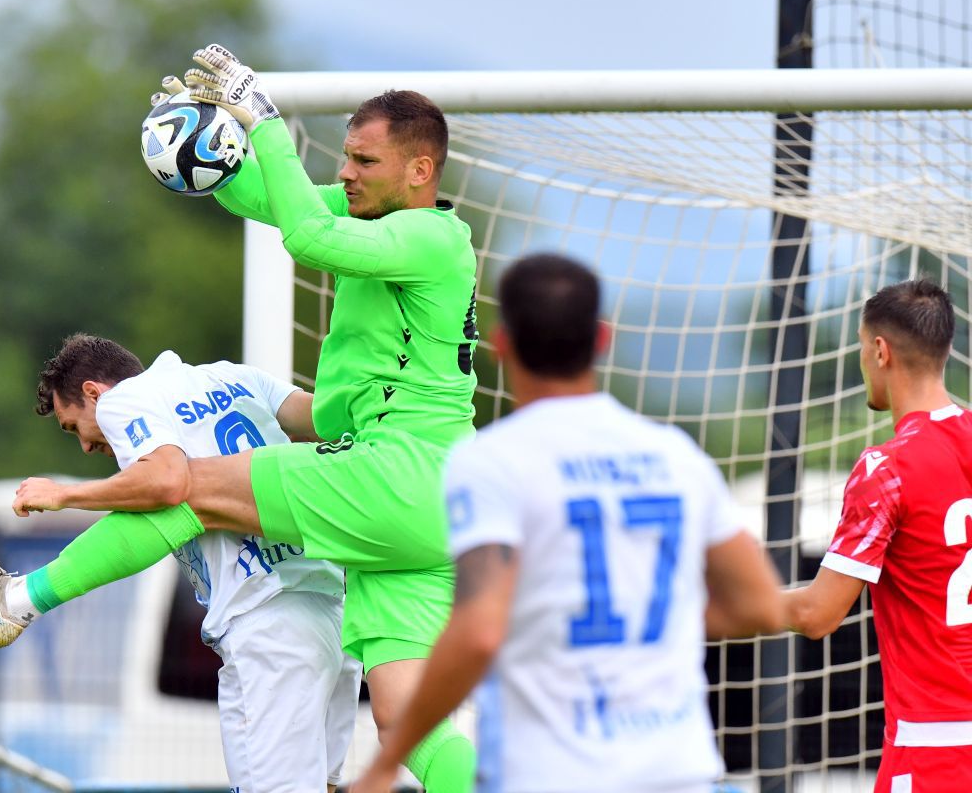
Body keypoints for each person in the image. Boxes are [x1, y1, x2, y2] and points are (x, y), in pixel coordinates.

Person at [67, 45, 474, 791]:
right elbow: (267, 200)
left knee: (181, 483)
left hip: (396, 471)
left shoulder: (430, 236)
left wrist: (265, 120)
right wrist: (209, 143)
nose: (346, 174)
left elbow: (305, 238)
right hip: (428, 497)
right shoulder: (377, 217)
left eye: (363, 161)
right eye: (345, 158)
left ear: (421, 171)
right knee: (406, 722)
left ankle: (21, 596)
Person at [351, 253, 786, 793]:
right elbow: (762, 604)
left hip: (550, 771)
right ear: (602, 338)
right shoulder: (676, 456)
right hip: (677, 771)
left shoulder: (492, 460)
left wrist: (385, 760)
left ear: (501, 343)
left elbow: (480, 630)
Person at [0, 334, 360, 793]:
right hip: (335, 610)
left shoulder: (127, 399)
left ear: (94, 392)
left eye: (73, 427)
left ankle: (14, 602)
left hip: (267, 620)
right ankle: (16, 601)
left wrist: (64, 494)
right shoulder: (233, 377)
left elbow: (166, 482)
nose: (86, 448)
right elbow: (325, 420)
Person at [780, 279, 972, 793]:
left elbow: (818, 615)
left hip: (934, 749)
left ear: (879, 351)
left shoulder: (887, 468)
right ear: (947, 349)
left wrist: (717, 606)